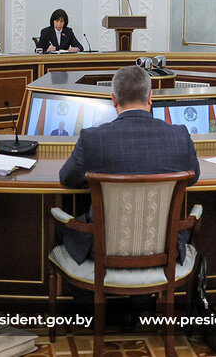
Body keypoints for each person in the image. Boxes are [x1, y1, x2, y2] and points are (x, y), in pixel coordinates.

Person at [59, 65, 201, 264]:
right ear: (150, 97)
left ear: (114, 99)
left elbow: (67, 178)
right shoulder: (179, 136)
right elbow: (193, 178)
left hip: (100, 249)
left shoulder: (92, 139)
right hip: (167, 249)